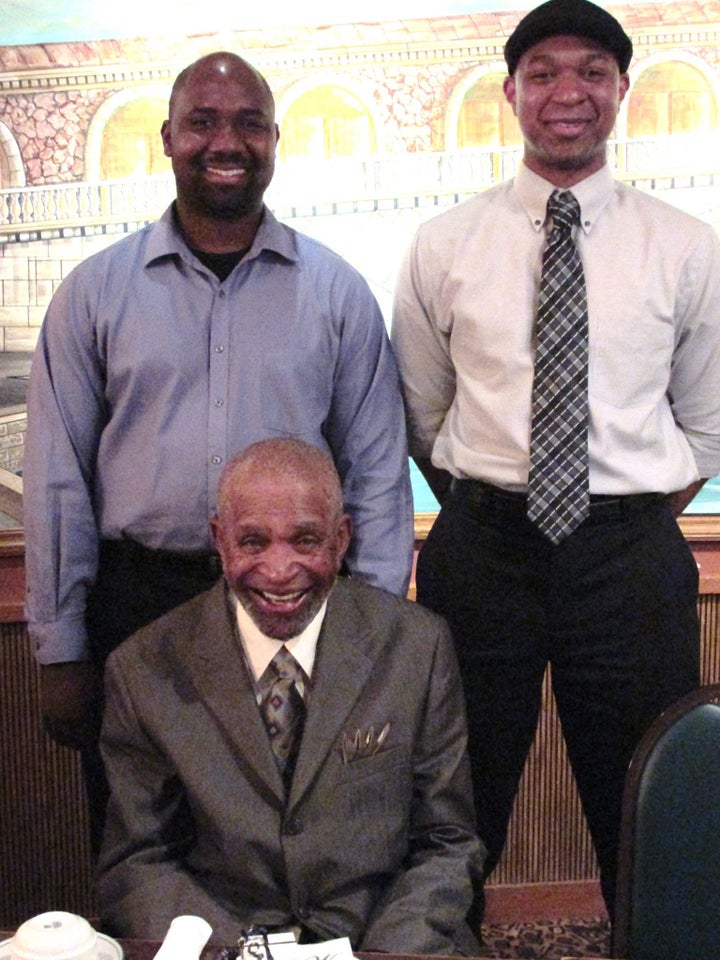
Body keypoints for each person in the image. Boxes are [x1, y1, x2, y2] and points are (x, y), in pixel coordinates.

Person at [23, 52, 413, 850]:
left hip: (295, 605)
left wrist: (374, 637)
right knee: (141, 838)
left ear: (276, 139)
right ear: (168, 138)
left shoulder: (337, 293)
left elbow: (376, 472)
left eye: (248, 122)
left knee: (293, 838)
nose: (224, 140)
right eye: (203, 121)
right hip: (141, 603)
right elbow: (58, 479)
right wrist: (61, 645)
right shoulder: (94, 294)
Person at [391, 0, 720, 920]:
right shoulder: (445, 244)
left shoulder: (686, 247)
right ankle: (441, 943)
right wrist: (505, 502)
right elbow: (422, 415)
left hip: (628, 563)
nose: (566, 93)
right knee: (453, 797)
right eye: (542, 73)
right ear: (510, 93)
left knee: (649, 799)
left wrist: (611, 506)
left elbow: (705, 427)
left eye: (590, 72)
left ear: (621, 89)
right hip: (483, 554)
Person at [95, 437, 483, 952]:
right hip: (225, 946)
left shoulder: (417, 648)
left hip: (381, 942)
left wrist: (383, 953)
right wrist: (244, 954)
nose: (278, 570)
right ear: (219, 539)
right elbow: (136, 864)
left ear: (341, 539)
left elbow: (447, 844)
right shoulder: (143, 669)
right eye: (253, 542)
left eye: (305, 540)